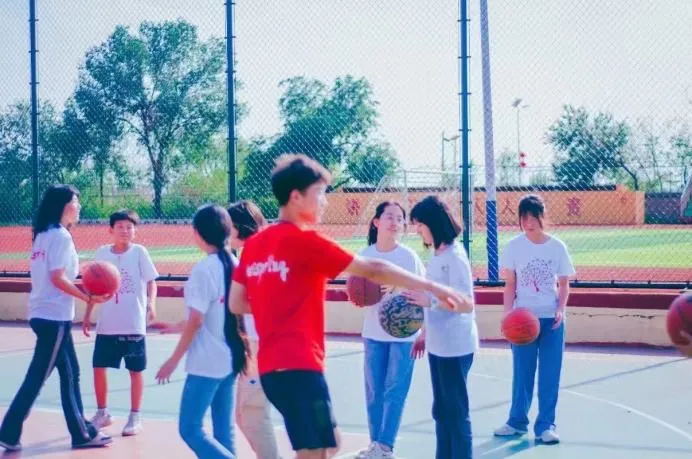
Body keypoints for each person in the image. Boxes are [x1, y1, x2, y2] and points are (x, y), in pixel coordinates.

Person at [229, 154, 473, 459]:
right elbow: (373, 269)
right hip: (300, 366)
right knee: (316, 450)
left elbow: (237, 301)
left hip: (271, 370)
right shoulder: (306, 240)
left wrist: (275, 305)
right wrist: (434, 287)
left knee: (329, 443)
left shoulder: (254, 245)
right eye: (320, 193)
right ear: (296, 197)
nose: (324, 202)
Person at [0, 185, 112, 451]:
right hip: (53, 317)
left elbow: (55, 276)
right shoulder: (61, 236)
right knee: (39, 376)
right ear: (63, 205)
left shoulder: (43, 234)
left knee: (70, 373)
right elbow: (57, 278)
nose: (79, 206)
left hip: (42, 313)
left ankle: (82, 432)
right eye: (75, 201)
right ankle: (10, 430)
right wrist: (87, 298)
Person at [155, 205, 248, 459]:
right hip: (232, 357)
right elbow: (213, 313)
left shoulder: (204, 270)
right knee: (223, 432)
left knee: (190, 429)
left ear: (197, 233)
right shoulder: (235, 264)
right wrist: (179, 325)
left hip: (207, 363)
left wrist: (173, 360)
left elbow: (197, 319)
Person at [493, 194, 575, 444]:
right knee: (522, 374)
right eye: (524, 218)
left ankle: (546, 425)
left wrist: (560, 309)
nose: (528, 223)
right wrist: (507, 314)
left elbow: (564, 284)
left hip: (551, 321)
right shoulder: (514, 246)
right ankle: (516, 422)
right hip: (522, 320)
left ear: (543, 217)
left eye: (533, 217)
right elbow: (510, 285)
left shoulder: (557, 247)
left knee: (550, 375)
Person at [405, 195, 479, 459]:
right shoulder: (438, 254)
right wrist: (424, 333)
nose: (417, 230)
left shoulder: (455, 257)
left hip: (455, 346)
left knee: (456, 411)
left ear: (433, 223)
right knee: (441, 410)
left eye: (420, 224)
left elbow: (466, 303)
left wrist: (431, 302)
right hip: (438, 344)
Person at [355, 201, 425, 459]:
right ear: (376, 222)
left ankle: (386, 446)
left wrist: (423, 331)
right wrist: (364, 295)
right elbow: (355, 293)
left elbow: (422, 291)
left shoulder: (408, 257)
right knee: (374, 391)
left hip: (404, 334)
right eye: (389, 217)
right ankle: (376, 444)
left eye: (399, 218)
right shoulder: (365, 255)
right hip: (373, 332)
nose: (394, 222)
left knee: (395, 390)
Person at [83, 209, 159, 436]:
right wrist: (87, 315)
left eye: (129, 227)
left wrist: (151, 304)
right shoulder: (101, 253)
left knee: (135, 370)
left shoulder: (139, 252)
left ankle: (135, 416)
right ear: (111, 230)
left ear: (135, 231)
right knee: (98, 367)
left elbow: (151, 282)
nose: (125, 230)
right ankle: (102, 413)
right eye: (120, 227)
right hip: (107, 323)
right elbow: (93, 287)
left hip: (133, 322)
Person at [227, 200, 282, 459]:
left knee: (252, 414)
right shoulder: (257, 252)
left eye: (228, 226)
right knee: (245, 414)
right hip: (259, 342)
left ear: (241, 226)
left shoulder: (260, 255)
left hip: (264, 343)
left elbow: (268, 301)